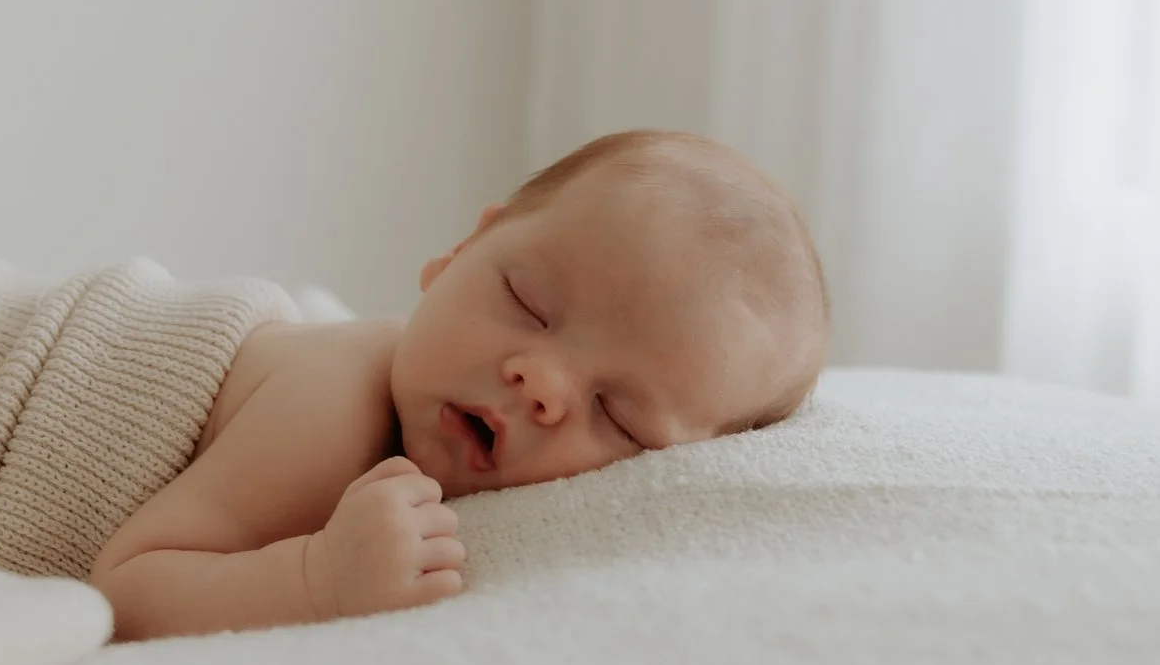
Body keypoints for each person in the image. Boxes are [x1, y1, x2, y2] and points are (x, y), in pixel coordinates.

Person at [92, 129, 830, 638]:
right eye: (529, 304)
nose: (540, 381)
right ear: (459, 253)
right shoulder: (334, 399)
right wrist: (315, 581)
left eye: (619, 415)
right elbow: (122, 593)